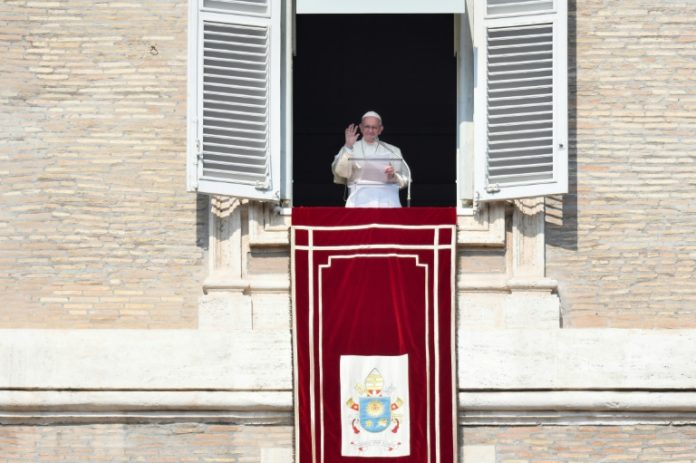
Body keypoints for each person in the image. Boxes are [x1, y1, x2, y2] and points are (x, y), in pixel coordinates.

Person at [332, 111, 410, 207]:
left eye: (374, 127)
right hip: (358, 202)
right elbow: (341, 172)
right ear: (361, 127)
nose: (370, 130)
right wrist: (348, 146)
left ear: (380, 129)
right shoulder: (350, 148)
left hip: (387, 202)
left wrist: (393, 176)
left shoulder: (393, 150)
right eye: (367, 127)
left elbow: (406, 178)